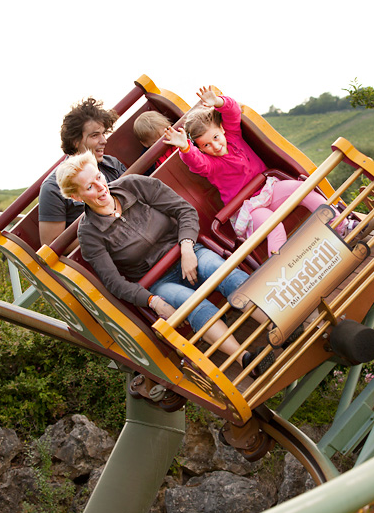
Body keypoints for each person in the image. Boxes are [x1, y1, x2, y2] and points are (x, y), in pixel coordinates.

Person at [56, 151, 273, 374]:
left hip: (187, 251)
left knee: (219, 270)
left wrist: (186, 247)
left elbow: (184, 210)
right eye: (89, 187)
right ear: (77, 197)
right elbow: (114, 282)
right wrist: (152, 301)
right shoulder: (89, 234)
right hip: (159, 281)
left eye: (99, 177)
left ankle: (278, 325)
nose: (101, 187)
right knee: (191, 304)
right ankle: (245, 359)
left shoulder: (133, 185)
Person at [163, 87, 356, 258]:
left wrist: (218, 102)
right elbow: (196, 162)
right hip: (248, 208)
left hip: (268, 189)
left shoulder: (233, 136)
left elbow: (233, 112)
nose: (214, 145)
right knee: (274, 226)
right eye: (206, 145)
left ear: (221, 129)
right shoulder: (210, 164)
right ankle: (281, 269)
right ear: (200, 148)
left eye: (215, 137)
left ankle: (342, 226)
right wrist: (185, 148)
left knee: (302, 189)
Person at [38, 97, 127, 247]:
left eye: (103, 133)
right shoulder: (53, 187)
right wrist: (105, 233)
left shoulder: (113, 164)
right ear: (75, 141)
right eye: (95, 135)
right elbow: (51, 245)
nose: (104, 140)